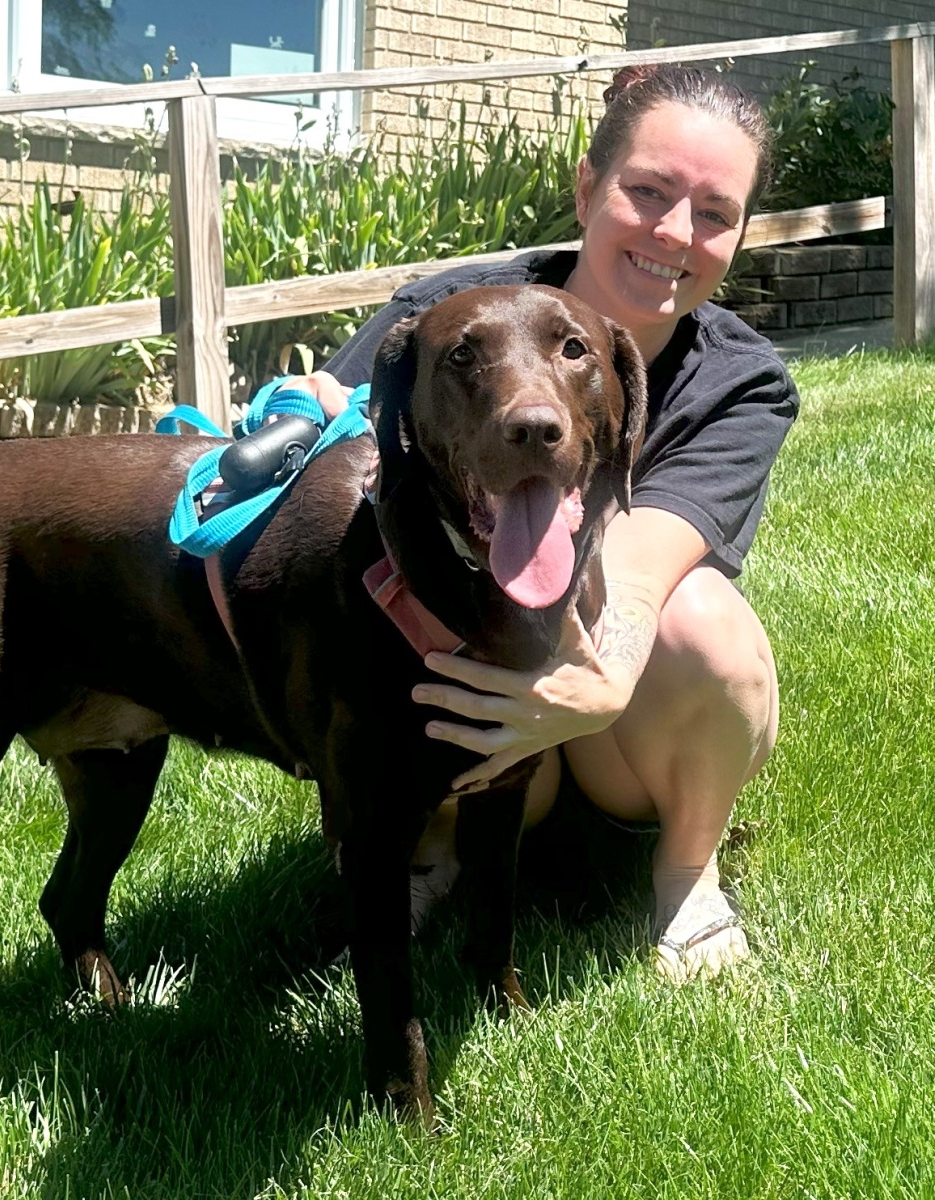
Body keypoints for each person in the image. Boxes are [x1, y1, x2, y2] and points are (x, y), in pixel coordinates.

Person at [284, 63, 798, 980]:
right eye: (648, 192)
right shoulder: (454, 317)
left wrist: (606, 679)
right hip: (467, 691)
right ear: (587, 187)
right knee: (390, 592)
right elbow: (320, 418)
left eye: (715, 213)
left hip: (622, 740)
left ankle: (687, 869)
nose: (675, 233)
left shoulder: (741, 383)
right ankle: (432, 844)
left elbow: (640, 560)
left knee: (704, 623)